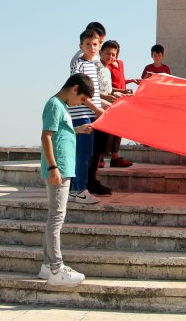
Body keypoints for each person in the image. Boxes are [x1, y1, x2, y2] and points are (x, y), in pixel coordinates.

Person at [37, 72, 94, 288]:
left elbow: (61, 133)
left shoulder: (62, 106)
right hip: (58, 168)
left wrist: (78, 130)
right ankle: (56, 268)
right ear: (75, 89)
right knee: (56, 219)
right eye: (81, 99)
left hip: (63, 167)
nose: (80, 103)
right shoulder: (54, 104)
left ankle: (46, 266)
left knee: (55, 218)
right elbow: (46, 136)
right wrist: (53, 167)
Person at [68, 29, 107, 204]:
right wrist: (97, 110)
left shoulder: (94, 65)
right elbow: (82, 94)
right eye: (88, 44)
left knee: (87, 154)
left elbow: (95, 94)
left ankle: (75, 188)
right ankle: (79, 190)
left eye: (95, 44)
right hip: (81, 114)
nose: (92, 47)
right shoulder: (80, 65)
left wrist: (103, 107)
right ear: (81, 46)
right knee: (83, 153)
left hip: (91, 114)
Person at [98, 40, 133, 169]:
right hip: (99, 104)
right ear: (101, 52)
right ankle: (99, 157)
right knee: (103, 130)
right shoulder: (97, 66)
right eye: (108, 53)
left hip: (112, 100)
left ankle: (114, 156)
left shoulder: (107, 69)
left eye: (113, 54)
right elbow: (95, 89)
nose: (110, 57)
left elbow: (110, 88)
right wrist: (109, 96)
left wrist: (122, 91)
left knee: (117, 127)